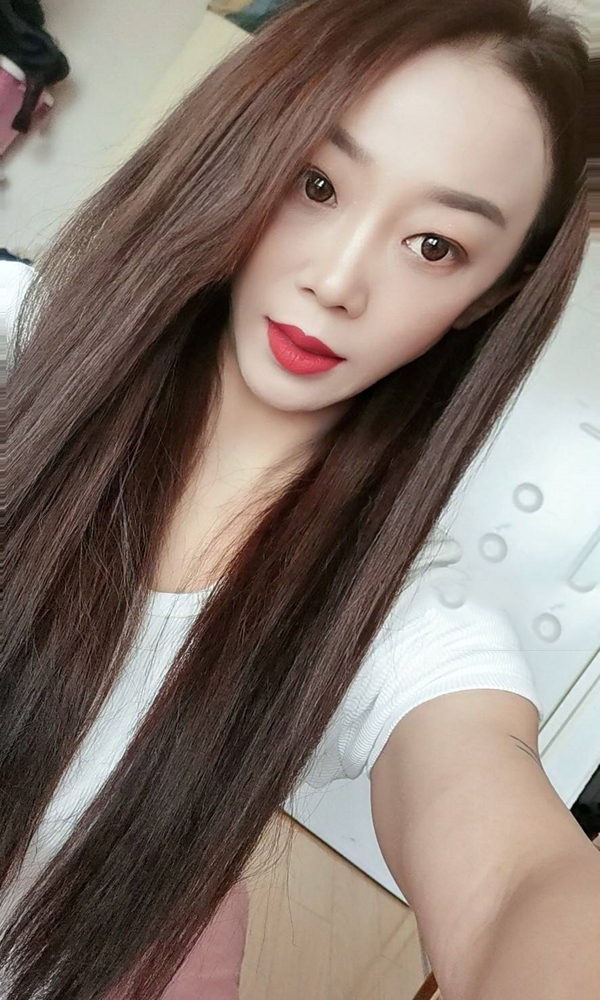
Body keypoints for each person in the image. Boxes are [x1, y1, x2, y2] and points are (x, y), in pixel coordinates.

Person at [3, 1, 599, 998]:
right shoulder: (17, 350)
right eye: (317, 184)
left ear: (490, 296)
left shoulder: (398, 627)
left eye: (434, 246)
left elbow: (514, 882)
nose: (337, 281)